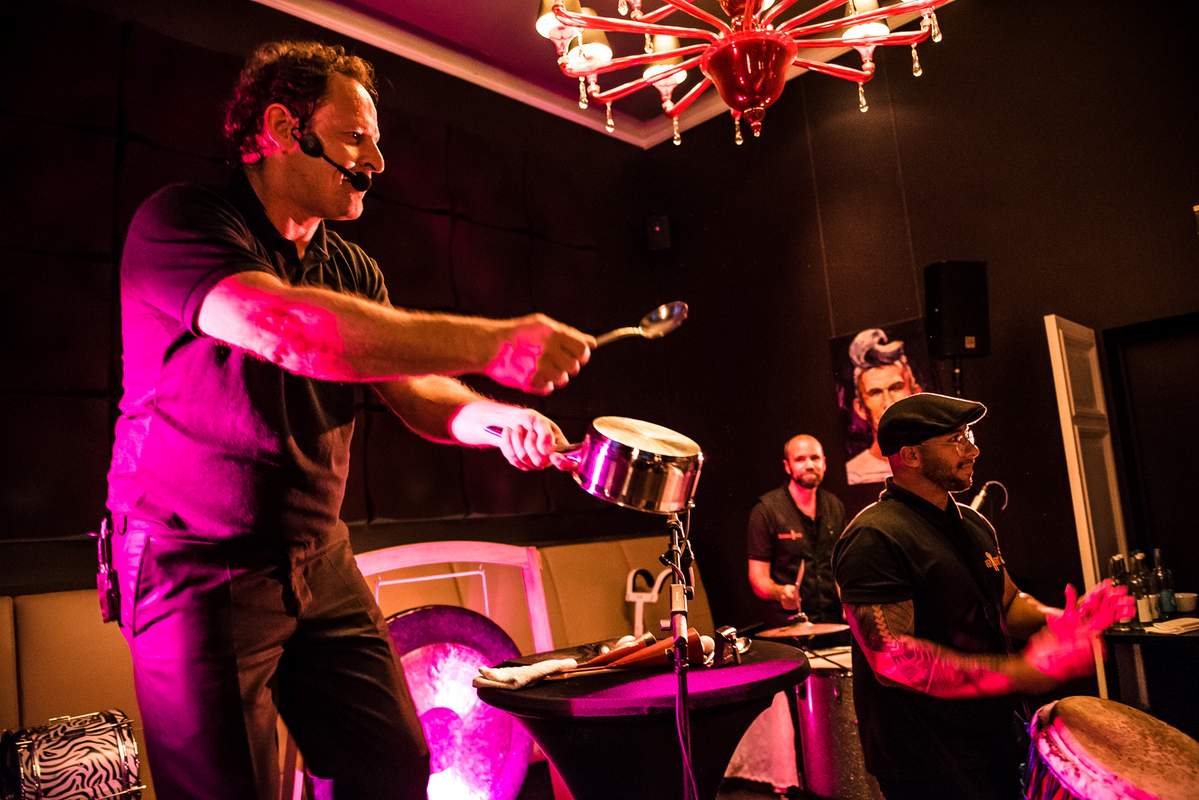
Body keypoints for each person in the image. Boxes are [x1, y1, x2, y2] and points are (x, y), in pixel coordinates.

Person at [105, 41, 595, 799]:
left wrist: (497, 420)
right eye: (356, 137)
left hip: (318, 558)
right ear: (282, 128)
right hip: (192, 560)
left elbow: (415, 391)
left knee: (391, 765)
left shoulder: (352, 267)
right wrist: (494, 342)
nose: (378, 161)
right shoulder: (182, 220)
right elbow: (289, 331)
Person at [832, 393, 1133, 799]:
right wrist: (1020, 671)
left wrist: (1063, 618)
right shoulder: (874, 536)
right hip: (926, 757)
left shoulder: (973, 524)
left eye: (969, 436)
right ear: (911, 456)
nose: (972, 450)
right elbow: (893, 660)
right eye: (956, 440)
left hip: (991, 738)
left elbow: (1006, 602)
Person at [747, 434, 846, 628]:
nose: (809, 465)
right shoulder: (766, 510)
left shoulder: (835, 506)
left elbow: (843, 565)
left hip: (833, 623)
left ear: (824, 463)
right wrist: (780, 591)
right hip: (789, 626)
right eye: (800, 459)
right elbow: (758, 578)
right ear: (787, 466)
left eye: (815, 458)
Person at [843, 328, 923, 485]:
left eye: (896, 388)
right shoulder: (855, 474)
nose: (888, 402)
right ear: (860, 408)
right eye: (875, 393)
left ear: (916, 394)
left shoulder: (938, 459)